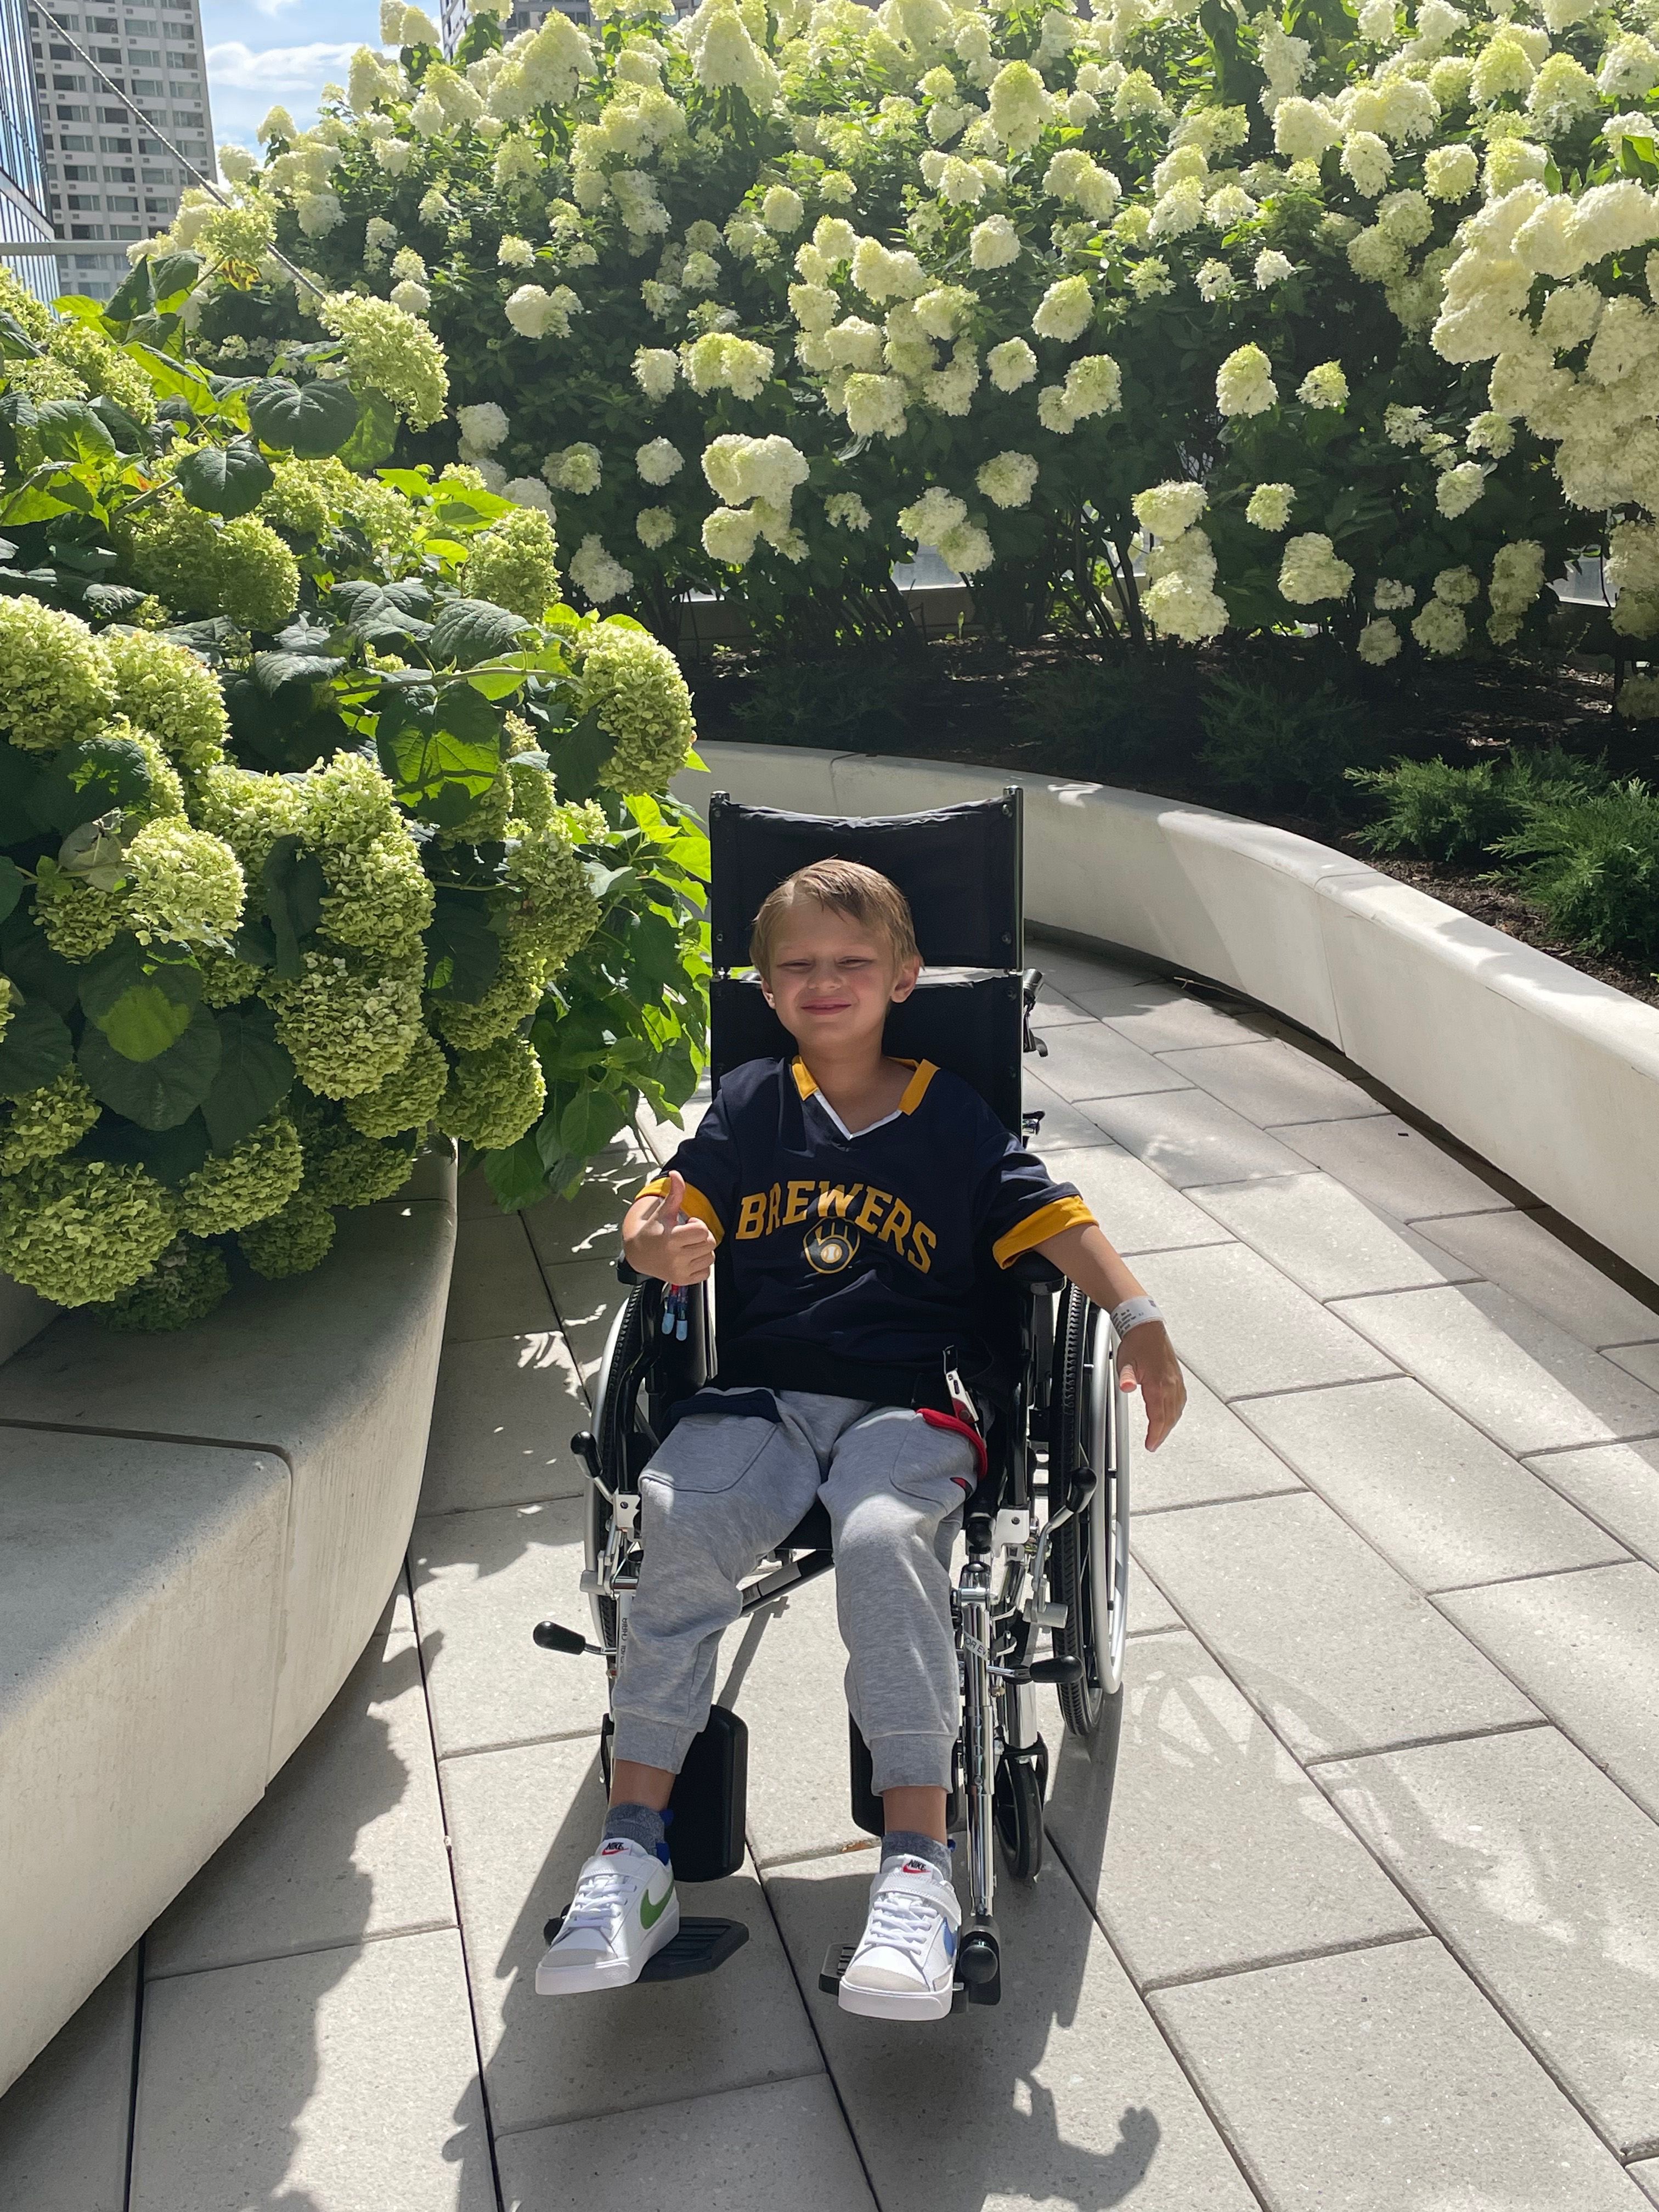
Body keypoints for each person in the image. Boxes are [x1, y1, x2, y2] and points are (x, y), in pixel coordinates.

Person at [536, 858, 1186, 2021]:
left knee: (889, 1544)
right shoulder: (747, 1107)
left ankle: (919, 1872)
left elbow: (1056, 1216)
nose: (824, 982)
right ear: (768, 990)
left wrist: (1138, 1323)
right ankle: (633, 1854)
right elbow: (664, 1209)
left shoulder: (952, 1117)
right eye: (797, 968)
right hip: (766, 1399)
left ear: (904, 977)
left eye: (850, 964)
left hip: (913, 1401)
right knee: (675, 1524)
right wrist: (650, 1246)